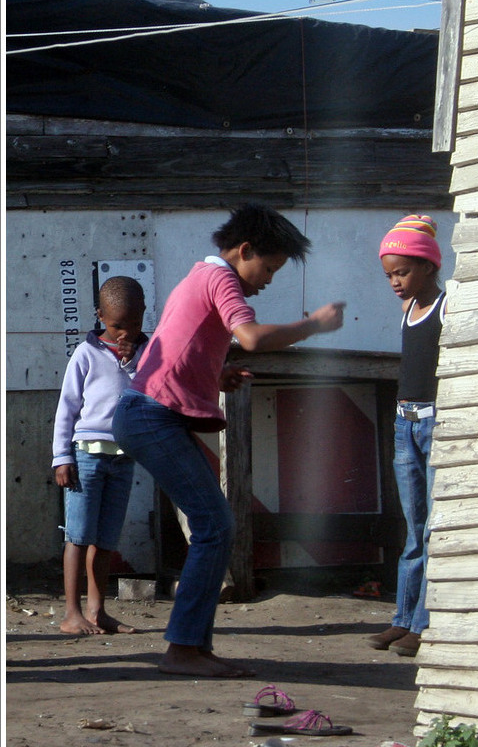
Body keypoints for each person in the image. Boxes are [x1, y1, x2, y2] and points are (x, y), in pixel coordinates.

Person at [112, 203, 345, 677]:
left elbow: (178, 347)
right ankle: (182, 649)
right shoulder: (221, 279)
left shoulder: (199, 277)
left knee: (214, 524)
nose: (269, 279)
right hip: (150, 417)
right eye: (270, 267)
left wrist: (215, 375)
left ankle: (193, 646)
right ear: (244, 251)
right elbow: (253, 337)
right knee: (215, 525)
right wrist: (314, 325)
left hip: (148, 415)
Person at [369, 214, 447, 658]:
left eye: (402, 272)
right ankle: (402, 618)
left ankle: (422, 624)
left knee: (433, 527)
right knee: (413, 528)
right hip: (405, 423)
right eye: (389, 275)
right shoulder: (408, 309)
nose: (395, 282)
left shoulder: (445, 306)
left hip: (434, 422)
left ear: (429, 267)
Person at [52, 276, 148, 635]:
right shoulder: (86, 353)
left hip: (123, 458)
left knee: (105, 539)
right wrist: (61, 456)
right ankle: (71, 613)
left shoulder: (147, 353)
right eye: (117, 325)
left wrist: (134, 360)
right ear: (100, 316)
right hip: (86, 458)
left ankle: (98, 610)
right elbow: (67, 408)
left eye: (134, 325)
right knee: (77, 535)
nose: (125, 332)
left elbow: (151, 390)